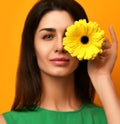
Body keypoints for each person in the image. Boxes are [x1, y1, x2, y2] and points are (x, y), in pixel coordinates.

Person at [0, 0, 120, 123]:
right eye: (48, 36)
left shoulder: (109, 117)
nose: (60, 47)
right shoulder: (8, 121)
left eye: (69, 36)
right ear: (32, 48)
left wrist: (102, 76)